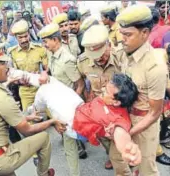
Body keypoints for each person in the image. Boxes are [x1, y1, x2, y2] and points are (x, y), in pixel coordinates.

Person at [0, 43, 63, 176]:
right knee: (44, 138)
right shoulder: (1, 97)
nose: (8, 68)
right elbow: (27, 131)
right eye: (3, 64)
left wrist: (27, 117)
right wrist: (52, 121)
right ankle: (44, 173)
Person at [30, 73, 141, 167]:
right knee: (52, 83)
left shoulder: (119, 119)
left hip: (72, 124)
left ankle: (34, 110)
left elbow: (120, 133)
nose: (102, 90)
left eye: (106, 91)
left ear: (116, 102)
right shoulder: (111, 100)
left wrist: (126, 148)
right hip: (79, 108)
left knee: (44, 91)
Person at [109, 5, 168, 175]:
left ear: (145, 33)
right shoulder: (126, 54)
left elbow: (155, 113)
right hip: (125, 117)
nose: (122, 39)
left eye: (128, 35)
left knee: (145, 169)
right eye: (121, 33)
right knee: (117, 158)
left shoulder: (154, 67)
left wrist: (129, 132)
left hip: (144, 125)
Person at [38, 23, 85, 176]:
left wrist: (73, 108)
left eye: (46, 41)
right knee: (68, 143)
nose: (44, 44)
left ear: (55, 40)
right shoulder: (52, 55)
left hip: (71, 107)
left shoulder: (67, 60)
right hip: (61, 108)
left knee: (99, 135)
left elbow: (80, 84)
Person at [78, 24, 120, 169]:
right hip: (99, 105)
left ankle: (122, 157)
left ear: (109, 44)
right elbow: (84, 83)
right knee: (103, 135)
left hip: (120, 105)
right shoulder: (82, 62)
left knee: (122, 134)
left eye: (102, 53)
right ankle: (112, 155)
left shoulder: (121, 58)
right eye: (95, 56)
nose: (99, 59)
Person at [8, 20, 48, 111]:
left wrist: (43, 74)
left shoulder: (39, 49)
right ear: (15, 38)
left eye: (26, 36)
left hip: (41, 87)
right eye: (20, 37)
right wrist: (20, 82)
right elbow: (11, 74)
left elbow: (47, 69)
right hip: (25, 91)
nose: (24, 40)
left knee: (47, 113)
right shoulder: (12, 53)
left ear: (29, 34)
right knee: (30, 116)